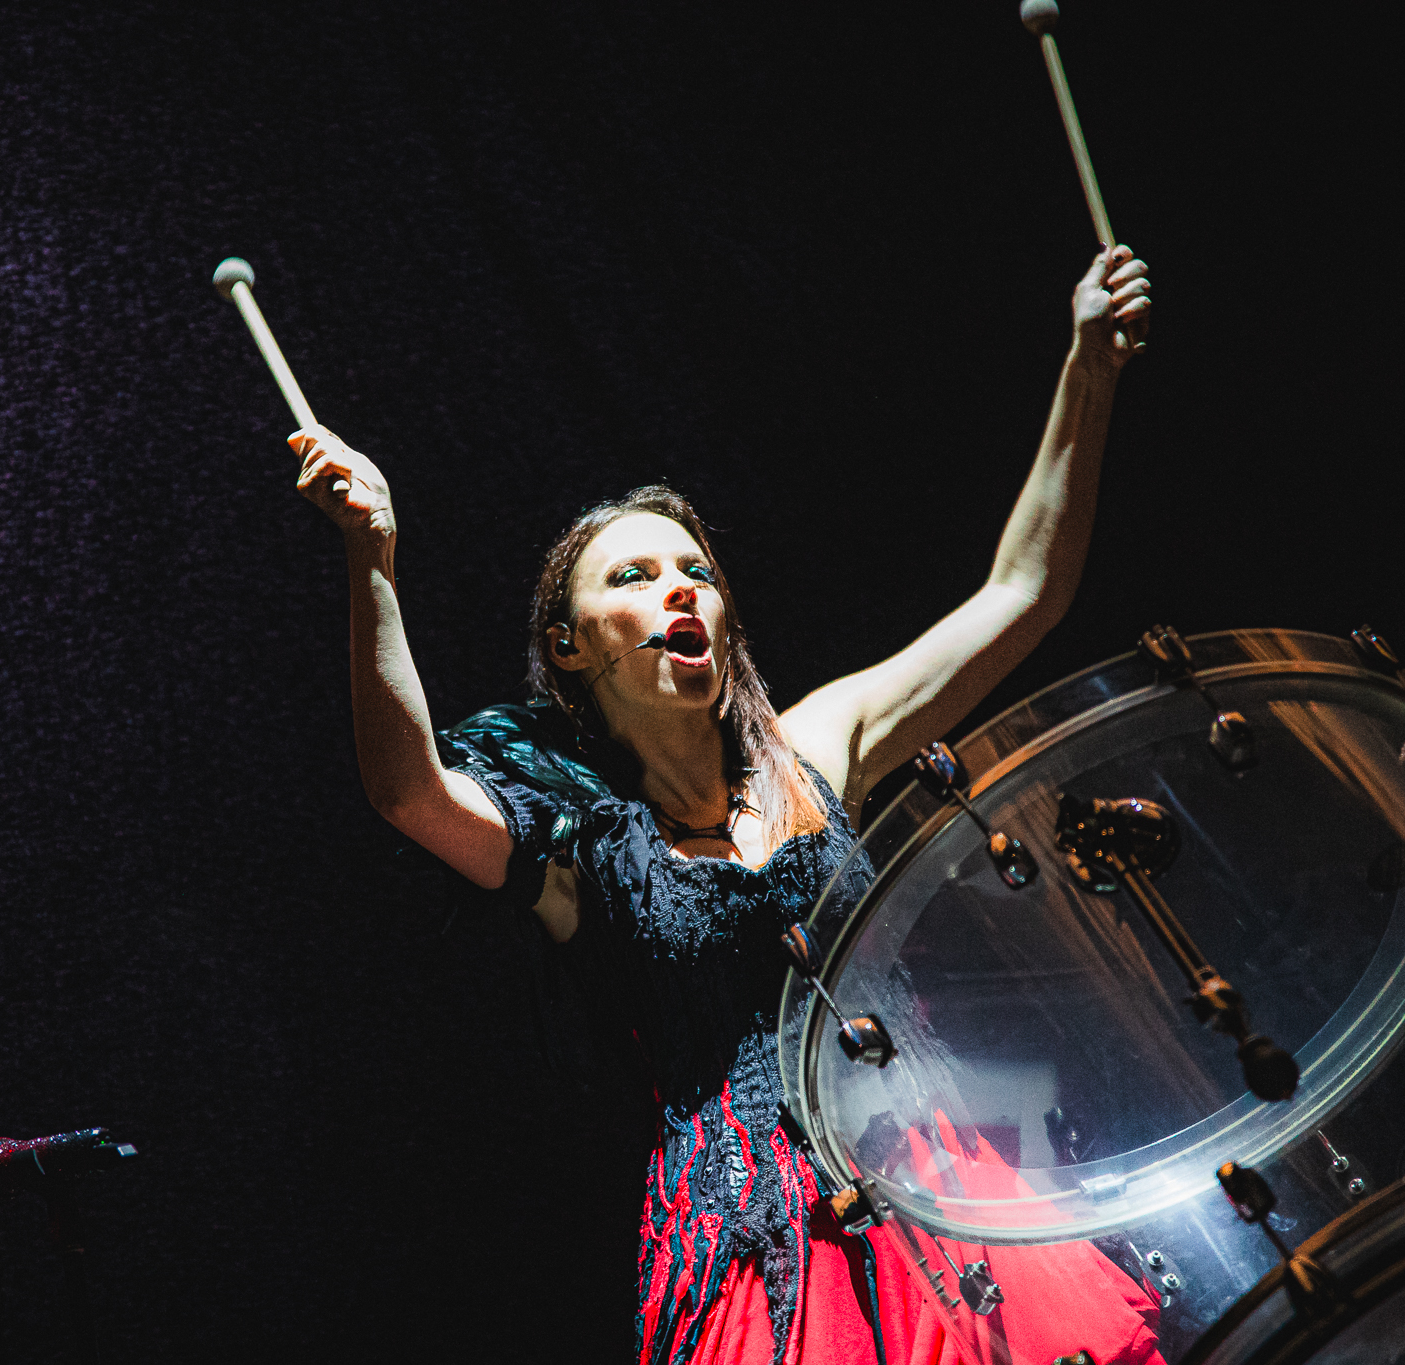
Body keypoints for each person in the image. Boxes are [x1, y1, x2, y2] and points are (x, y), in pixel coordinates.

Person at [291, 246, 1158, 1363]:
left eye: (694, 569)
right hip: (755, 1237)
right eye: (634, 577)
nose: (680, 588)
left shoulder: (814, 746)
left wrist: (1088, 366)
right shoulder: (581, 852)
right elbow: (408, 789)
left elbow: (1024, 592)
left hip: (935, 1177)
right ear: (570, 647)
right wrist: (371, 558)